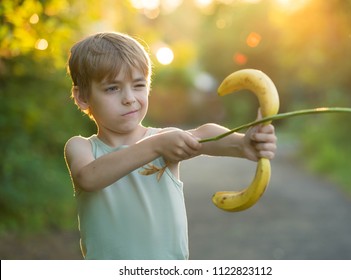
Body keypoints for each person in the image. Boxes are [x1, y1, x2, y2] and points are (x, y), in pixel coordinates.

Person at [64, 31, 277, 260]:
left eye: (138, 85)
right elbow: (89, 178)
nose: (129, 98)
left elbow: (203, 134)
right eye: (112, 88)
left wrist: (242, 144)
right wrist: (155, 147)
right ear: (83, 97)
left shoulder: (162, 139)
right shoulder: (81, 148)